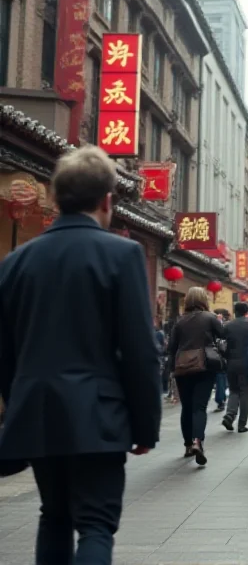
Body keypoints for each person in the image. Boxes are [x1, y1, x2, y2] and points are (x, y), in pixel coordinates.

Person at [0, 146, 162, 564]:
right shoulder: (121, 255)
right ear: (107, 199)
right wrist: (145, 427)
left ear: (55, 197)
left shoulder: (17, 261)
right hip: (98, 415)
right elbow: (140, 349)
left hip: (36, 411)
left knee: (53, 516)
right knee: (95, 522)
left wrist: (18, 402)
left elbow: (4, 350)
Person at [168, 287, 225, 465]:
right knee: (199, 407)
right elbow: (224, 336)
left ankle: (187, 445)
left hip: (183, 368)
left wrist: (171, 369)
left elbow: (171, 348)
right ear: (204, 300)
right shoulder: (210, 318)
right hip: (204, 366)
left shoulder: (179, 321)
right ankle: (197, 441)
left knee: (186, 407)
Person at [222, 302, 248, 433]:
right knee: (245, 392)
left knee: (234, 390)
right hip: (247, 363)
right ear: (247, 312)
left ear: (235, 312)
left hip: (231, 363)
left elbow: (221, 344)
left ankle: (230, 414)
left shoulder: (228, 326)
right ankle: (242, 424)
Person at [212, 309, 230, 411]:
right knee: (221, 378)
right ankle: (221, 399)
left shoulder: (223, 327)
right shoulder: (224, 327)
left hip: (217, 357)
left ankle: (220, 400)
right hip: (220, 357)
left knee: (220, 377)